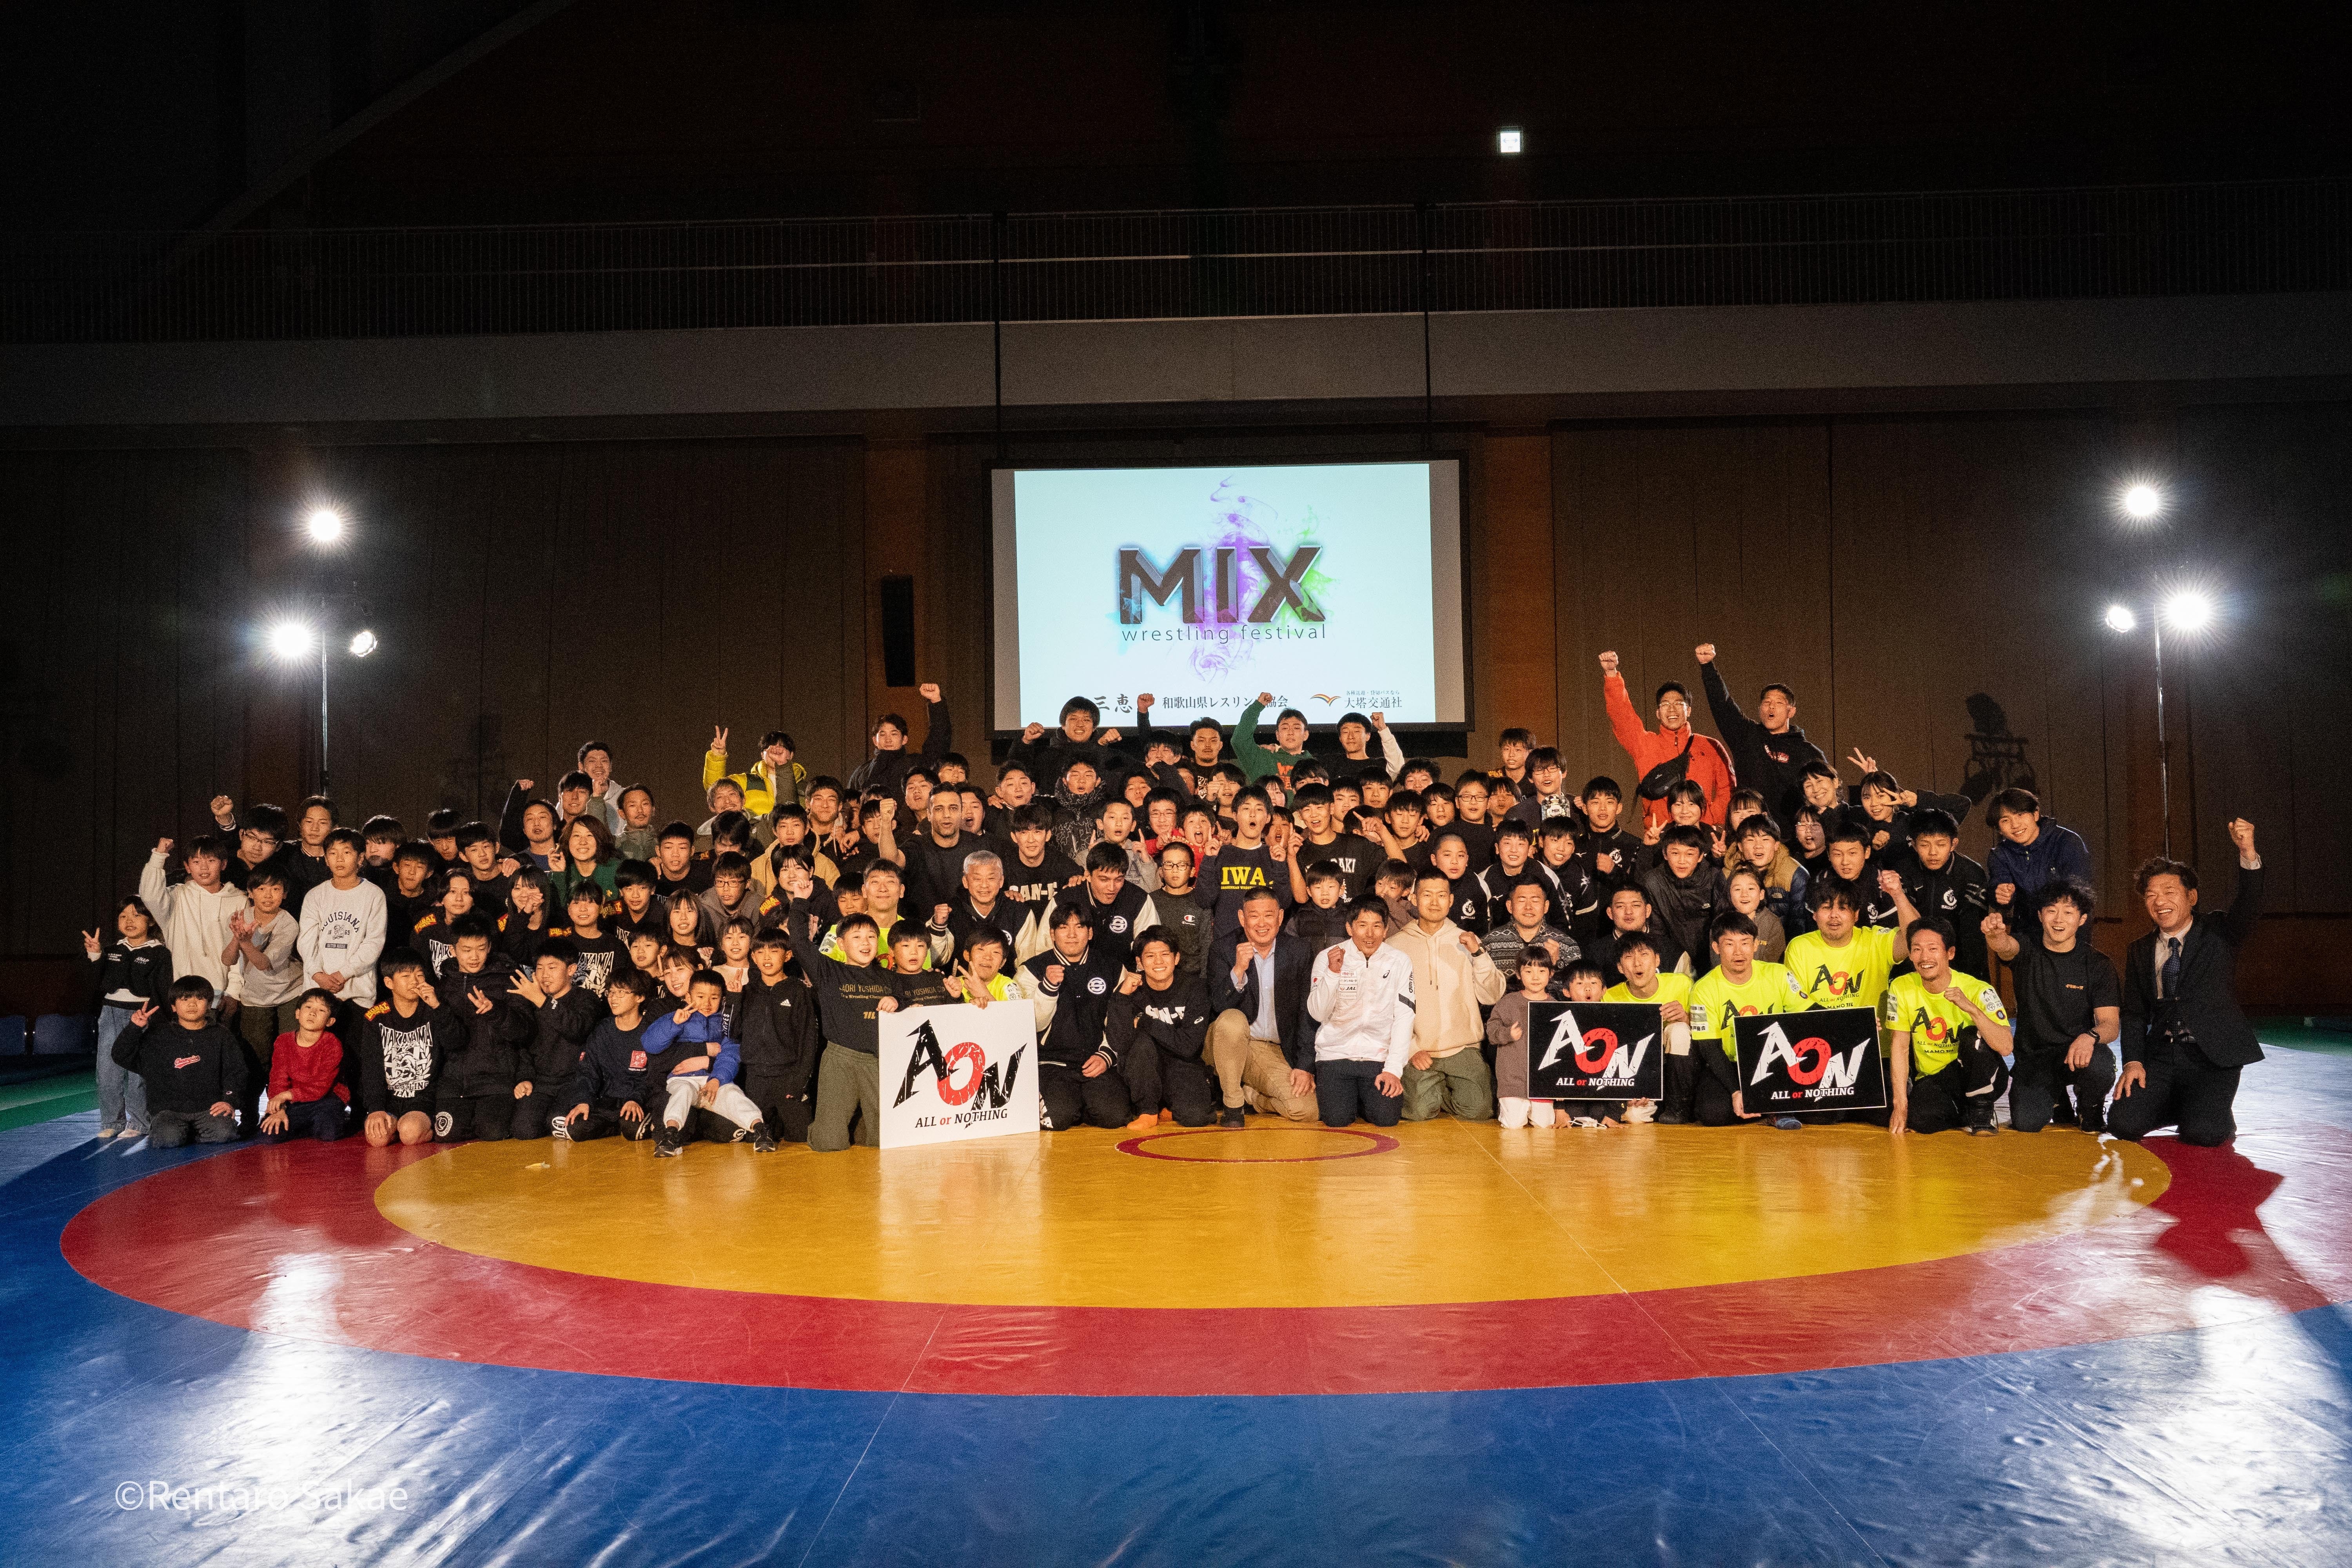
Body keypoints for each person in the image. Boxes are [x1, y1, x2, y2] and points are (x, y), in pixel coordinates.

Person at [2110, 818, 2265, 1148]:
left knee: (2205, 1134)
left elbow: (2250, 903)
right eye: (2151, 896)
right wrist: (2133, 1062)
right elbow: (2135, 1013)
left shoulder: (2219, 932)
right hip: (2162, 1055)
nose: (2159, 902)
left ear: (2191, 897)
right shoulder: (2139, 950)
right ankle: (2190, 1107)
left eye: (2169, 893)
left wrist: (2248, 852)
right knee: (2123, 1124)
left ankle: (2205, 1111)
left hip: (2213, 1056)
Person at [1984, 878, 2120, 1134]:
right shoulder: (2027, 948)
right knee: (2027, 1123)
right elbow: (2006, 947)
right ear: (2040, 916)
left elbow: (2111, 1025)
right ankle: (2058, 1100)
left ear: (2082, 919)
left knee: (2101, 1065)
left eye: (2068, 913)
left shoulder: (2098, 964)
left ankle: (2090, 1107)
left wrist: (2089, 1037)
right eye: (2051, 911)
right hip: (2034, 1058)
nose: (2059, 920)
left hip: (2078, 1053)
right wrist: (1996, 936)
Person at [1388, 868, 1505, 1122]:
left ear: (1451, 901)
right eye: (1427, 895)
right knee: (1419, 1113)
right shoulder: (1395, 946)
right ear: (1414, 899)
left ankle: (1439, 1091)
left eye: (1441, 895)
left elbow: (1492, 995)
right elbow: (1386, 1007)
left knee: (1479, 1110)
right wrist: (1410, 1048)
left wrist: (1479, 955)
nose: (1435, 902)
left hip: (1463, 1047)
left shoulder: (1467, 941)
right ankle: (1433, 1091)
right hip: (1420, 1050)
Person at [782, 900, 900, 1151]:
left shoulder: (890, 977)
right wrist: (801, 902)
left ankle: (860, 1125)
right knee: (829, 1143)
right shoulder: (828, 971)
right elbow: (799, 942)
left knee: (885, 1141)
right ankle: (831, 1126)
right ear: (842, 944)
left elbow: (915, 1003)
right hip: (840, 1060)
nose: (866, 943)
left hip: (879, 1061)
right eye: (857, 937)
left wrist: (897, 1000)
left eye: (871, 937)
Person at [1884, 916, 2013, 1136]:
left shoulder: (1978, 989)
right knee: (1920, 1120)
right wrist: (1901, 1105)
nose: (1925, 957)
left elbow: (2006, 1046)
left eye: (1933, 949)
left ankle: (1982, 1111)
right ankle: (1965, 1111)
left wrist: (1972, 1009)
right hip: (1938, 1078)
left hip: (1982, 1072)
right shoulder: (1901, 987)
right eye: (1917, 950)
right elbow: (1900, 1047)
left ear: (1950, 953)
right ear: (1910, 954)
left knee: (1972, 1038)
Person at [1207, 888, 1321, 1128]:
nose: (1262, 924)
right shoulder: (1224, 949)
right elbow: (1219, 1006)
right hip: (1236, 1042)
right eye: (1254, 916)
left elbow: (1308, 1012)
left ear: (1280, 917)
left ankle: (1252, 1096)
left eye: (1269, 916)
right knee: (1231, 1020)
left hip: (1279, 1048)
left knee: (1307, 1110)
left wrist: (1304, 1066)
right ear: (1242, 918)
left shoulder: (1299, 950)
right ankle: (1233, 1105)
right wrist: (1239, 969)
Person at [1686, 913, 1811, 1128]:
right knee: (1713, 1113)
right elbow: (1709, 1047)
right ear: (1716, 948)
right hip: (1732, 1063)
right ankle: (1768, 1108)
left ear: (1755, 946)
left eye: (1745, 943)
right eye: (1729, 944)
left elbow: (1811, 1013)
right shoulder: (1703, 989)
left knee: (1824, 1112)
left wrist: (1854, 1024)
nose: (1738, 952)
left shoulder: (1779, 974)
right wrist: (1736, 1091)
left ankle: (1767, 1106)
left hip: (1777, 1062)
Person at [1023, 902, 1139, 1131]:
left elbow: (1123, 1020)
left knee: (1114, 1117)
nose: (1072, 935)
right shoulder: (1032, 969)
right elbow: (1033, 1025)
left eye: (1079, 927)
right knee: (1057, 1119)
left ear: (1090, 933)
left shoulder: (1113, 968)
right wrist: (1047, 988)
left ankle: (1082, 1103)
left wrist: (1107, 1055)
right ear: (1052, 934)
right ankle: (1070, 1104)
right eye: (1064, 928)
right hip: (1051, 1063)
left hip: (1096, 1060)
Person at [1305, 898, 1416, 1127]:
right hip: (1334, 1055)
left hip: (1378, 1058)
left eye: (1377, 926)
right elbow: (1317, 1013)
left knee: (1387, 1119)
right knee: (1337, 1120)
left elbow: (1405, 1017)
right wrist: (1333, 973)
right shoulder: (1328, 957)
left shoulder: (1399, 961)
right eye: (1363, 925)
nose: (1370, 934)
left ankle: (1363, 1098)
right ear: (1349, 928)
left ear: (1386, 929)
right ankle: (1351, 1098)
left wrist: (1393, 1070)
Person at [1694, 642, 1828, 822]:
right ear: (1760, 709)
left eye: (1779, 703)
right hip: (1749, 830)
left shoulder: (1809, 753)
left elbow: (1826, 796)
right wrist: (1708, 667)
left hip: (1792, 834)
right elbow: (1723, 706)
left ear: (1791, 711)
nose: (1771, 707)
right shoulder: (1747, 736)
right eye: (1766, 703)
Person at [644, 969, 773, 1155]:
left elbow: (730, 1054)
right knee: (682, 1092)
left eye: (714, 998)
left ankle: (760, 1130)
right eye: (701, 997)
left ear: (722, 999)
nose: (707, 1003)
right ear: (689, 997)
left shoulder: (725, 1023)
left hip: (713, 1081)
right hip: (684, 1079)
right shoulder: (678, 1017)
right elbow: (650, 1044)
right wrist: (674, 1024)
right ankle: (670, 1136)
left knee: (733, 1094)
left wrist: (717, 1079)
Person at [1599, 651, 1734, 829]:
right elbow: (1622, 717)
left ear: (1689, 711)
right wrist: (1612, 675)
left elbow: (1729, 789)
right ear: (1658, 713)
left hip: (1701, 833)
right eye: (1665, 705)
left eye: (1678, 704)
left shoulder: (1710, 745)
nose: (1672, 709)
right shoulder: (1645, 744)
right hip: (1660, 834)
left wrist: (1706, 819)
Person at [109, 976, 244, 1148]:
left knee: (225, 1132)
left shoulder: (222, 1035)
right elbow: (121, 1055)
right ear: (173, 1006)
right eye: (185, 999)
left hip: (210, 1108)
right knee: (168, 1139)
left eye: (200, 999)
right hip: (168, 1111)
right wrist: (134, 1028)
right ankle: (183, 1132)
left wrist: (229, 1101)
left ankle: (192, 1132)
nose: (192, 1004)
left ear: (210, 1004)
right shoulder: (159, 1036)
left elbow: (236, 1071)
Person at [432, 916, 533, 1142]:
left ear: (489, 948)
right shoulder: (444, 986)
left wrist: (496, 1012)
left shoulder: (509, 980)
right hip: (455, 1082)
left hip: (496, 1079)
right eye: (467, 950)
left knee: (492, 1132)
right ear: (453, 950)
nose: (474, 957)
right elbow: (447, 1042)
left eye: (481, 949)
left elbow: (525, 1032)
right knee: (447, 1134)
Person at [1106, 931, 1218, 1127]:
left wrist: (1145, 1022)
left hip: (1182, 1064)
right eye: (1150, 956)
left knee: (1196, 1117)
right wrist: (1122, 997)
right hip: (1143, 1066)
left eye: (1165, 954)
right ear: (1140, 962)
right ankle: (1148, 1111)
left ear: (1177, 958)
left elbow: (1189, 1046)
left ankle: (1168, 1108)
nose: (1158, 961)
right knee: (1141, 1043)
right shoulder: (1131, 989)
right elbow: (1120, 1043)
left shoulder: (1194, 988)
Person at [84, 897, 171, 1140]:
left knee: (138, 1071)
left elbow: (163, 989)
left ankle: (140, 1123)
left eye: (136, 915)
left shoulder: (160, 953)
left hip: (142, 1015)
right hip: (110, 1011)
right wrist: (95, 955)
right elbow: (95, 982)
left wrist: (158, 1020)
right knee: (107, 1069)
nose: (129, 921)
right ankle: (112, 1121)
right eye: (123, 916)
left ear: (151, 920)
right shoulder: (112, 950)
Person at [356, 950, 457, 1147]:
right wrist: (376, 1109)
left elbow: (456, 1043)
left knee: (410, 1133)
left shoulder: (434, 1008)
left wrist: (438, 1008)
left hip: (425, 1097)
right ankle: (397, 1126)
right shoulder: (376, 1017)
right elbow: (371, 1067)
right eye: (406, 976)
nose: (415, 982)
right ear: (389, 983)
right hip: (389, 1099)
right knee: (378, 1140)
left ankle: (418, 1127)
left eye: (419, 975)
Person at [505, 938, 601, 1140]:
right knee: (523, 1130)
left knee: (558, 1122)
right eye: (540, 969)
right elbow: (523, 1045)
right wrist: (525, 1078)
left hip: (575, 1082)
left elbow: (577, 1028)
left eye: (552, 968)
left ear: (571, 970)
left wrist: (542, 1001)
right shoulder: (532, 1001)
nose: (545, 975)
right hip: (542, 1084)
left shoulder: (586, 999)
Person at [735, 927, 824, 1142]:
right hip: (756, 1078)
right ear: (753, 957)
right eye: (760, 952)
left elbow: (809, 1040)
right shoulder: (746, 992)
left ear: (788, 955)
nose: (767, 957)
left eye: (774, 951)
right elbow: (732, 1033)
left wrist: (799, 1081)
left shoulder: (798, 991)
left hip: (788, 1076)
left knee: (801, 1136)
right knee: (756, 1137)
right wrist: (733, 999)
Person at [561, 969, 668, 1143]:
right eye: (611, 992)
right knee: (575, 1129)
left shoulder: (651, 1031)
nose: (613, 998)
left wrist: (635, 1099)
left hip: (639, 1100)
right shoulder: (603, 1030)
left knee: (633, 1130)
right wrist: (583, 1100)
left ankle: (631, 1124)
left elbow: (654, 1077)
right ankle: (616, 1126)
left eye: (621, 992)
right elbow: (588, 1070)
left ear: (640, 997)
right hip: (608, 1101)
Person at [1882, 808, 1992, 976]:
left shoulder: (1971, 873)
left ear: (1953, 844)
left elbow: (1972, 936)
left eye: (1941, 845)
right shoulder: (1903, 871)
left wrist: (1968, 979)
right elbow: (1901, 927)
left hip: (1960, 961)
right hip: (1913, 960)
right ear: (1914, 845)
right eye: (1925, 845)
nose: (1933, 852)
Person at [1604, 931, 1697, 1123]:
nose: (1637, 963)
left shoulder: (1682, 983)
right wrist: (1630, 1088)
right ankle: (1655, 1103)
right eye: (1629, 957)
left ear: (1657, 960)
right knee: (1634, 1117)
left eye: (1644, 955)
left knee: (1679, 1030)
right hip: (1639, 1070)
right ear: (1620, 968)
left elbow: (1706, 1028)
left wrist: (1687, 1018)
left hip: (1678, 1067)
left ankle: (1678, 1107)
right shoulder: (1610, 998)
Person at [139, 834, 249, 995]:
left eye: (211, 861)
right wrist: (159, 856)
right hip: (182, 991)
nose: (204, 868)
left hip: (221, 992)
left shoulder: (239, 900)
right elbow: (149, 895)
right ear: (188, 867)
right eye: (197, 862)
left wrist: (233, 992)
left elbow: (242, 948)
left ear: (223, 864)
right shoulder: (177, 896)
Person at [298, 826, 389, 1016]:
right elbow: (306, 941)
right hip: (317, 990)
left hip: (357, 992)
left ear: (361, 858)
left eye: (347, 853)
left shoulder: (374, 895)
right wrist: (317, 974)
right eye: (333, 853)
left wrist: (343, 974)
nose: (339, 859)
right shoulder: (315, 895)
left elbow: (374, 942)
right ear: (326, 859)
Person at [1984, 788, 2096, 918]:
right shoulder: (2000, 855)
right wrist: (2001, 895)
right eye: (2005, 820)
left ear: (2036, 815)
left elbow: (2081, 895)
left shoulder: (2067, 841)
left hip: (2066, 923)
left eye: (2020, 815)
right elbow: (2000, 891)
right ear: (1999, 830)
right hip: (2026, 927)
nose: (2015, 825)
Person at [257, 988, 350, 1143]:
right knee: (270, 1134)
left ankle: (332, 1118)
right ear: (298, 1014)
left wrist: (286, 1096)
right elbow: (278, 1079)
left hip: (326, 1098)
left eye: (321, 1010)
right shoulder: (283, 1041)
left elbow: (321, 1086)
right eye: (308, 1007)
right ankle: (305, 1123)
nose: (313, 1013)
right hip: (294, 1101)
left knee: (328, 1131)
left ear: (330, 1021)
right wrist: (280, 1108)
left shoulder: (332, 1044)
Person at [1487, 949, 1559, 1129]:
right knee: (1513, 1124)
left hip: (1542, 1082)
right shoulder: (1509, 1002)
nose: (1535, 977)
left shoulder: (1555, 1006)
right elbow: (1492, 1031)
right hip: (1513, 1080)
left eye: (1542, 971)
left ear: (1551, 974)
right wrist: (1507, 1034)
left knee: (1544, 1125)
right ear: (1519, 975)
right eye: (1528, 971)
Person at [704, 726, 804, 818]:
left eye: (782, 748)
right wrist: (717, 756)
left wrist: (783, 765)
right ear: (762, 755)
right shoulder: (746, 781)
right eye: (771, 748)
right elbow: (715, 788)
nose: (776, 752)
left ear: (791, 755)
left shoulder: (804, 788)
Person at [1230, 691, 1315, 785]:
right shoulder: (1262, 758)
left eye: (1296, 728)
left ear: (1306, 735)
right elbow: (1240, 740)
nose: (1291, 733)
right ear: (1278, 735)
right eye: (1285, 728)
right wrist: (1258, 706)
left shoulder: (1314, 766)